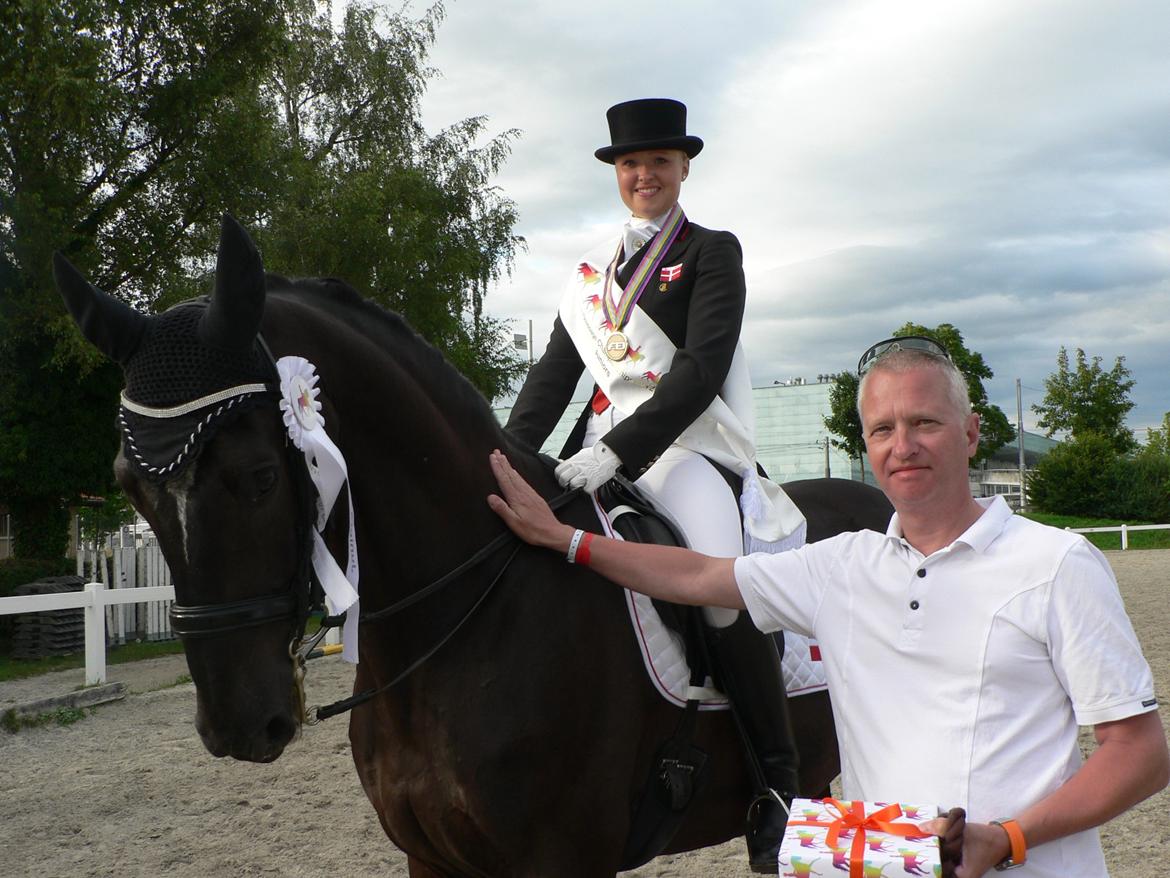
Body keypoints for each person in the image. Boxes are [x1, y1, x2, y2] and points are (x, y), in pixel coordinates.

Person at [488, 336, 1170, 877]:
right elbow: (697, 575)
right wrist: (568, 540)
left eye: (925, 423)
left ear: (970, 434)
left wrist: (1010, 838)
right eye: (883, 429)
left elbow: (1140, 755)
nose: (902, 446)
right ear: (866, 447)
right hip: (884, 859)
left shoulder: (1056, 563)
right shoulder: (843, 567)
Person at [505, 97, 808, 870]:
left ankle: (777, 782)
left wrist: (623, 453)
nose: (645, 175)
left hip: (685, 450)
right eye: (632, 164)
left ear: (682, 168)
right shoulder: (589, 279)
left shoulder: (712, 251)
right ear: (617, 172)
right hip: (593, 451)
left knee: (713, 578)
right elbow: (551, 379)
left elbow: (701, 370)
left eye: (660, 163)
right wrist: (503, 457)